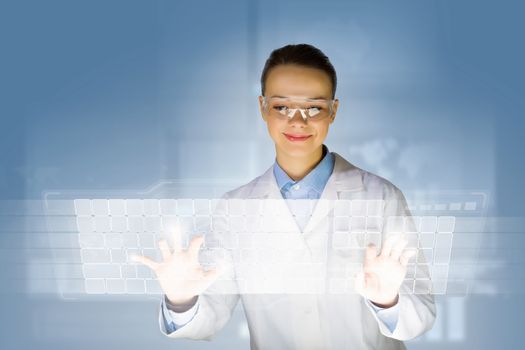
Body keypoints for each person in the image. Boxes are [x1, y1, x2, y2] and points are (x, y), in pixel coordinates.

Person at [133, 43, 436, 349]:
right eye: (282, 107)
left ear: (333, 111)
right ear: (263, 107)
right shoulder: (235, 209)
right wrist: (181, 298)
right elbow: (210, 315)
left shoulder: (381, 198)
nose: (298, 121)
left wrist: (387, 301)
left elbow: (421, 315)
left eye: (314, 107)